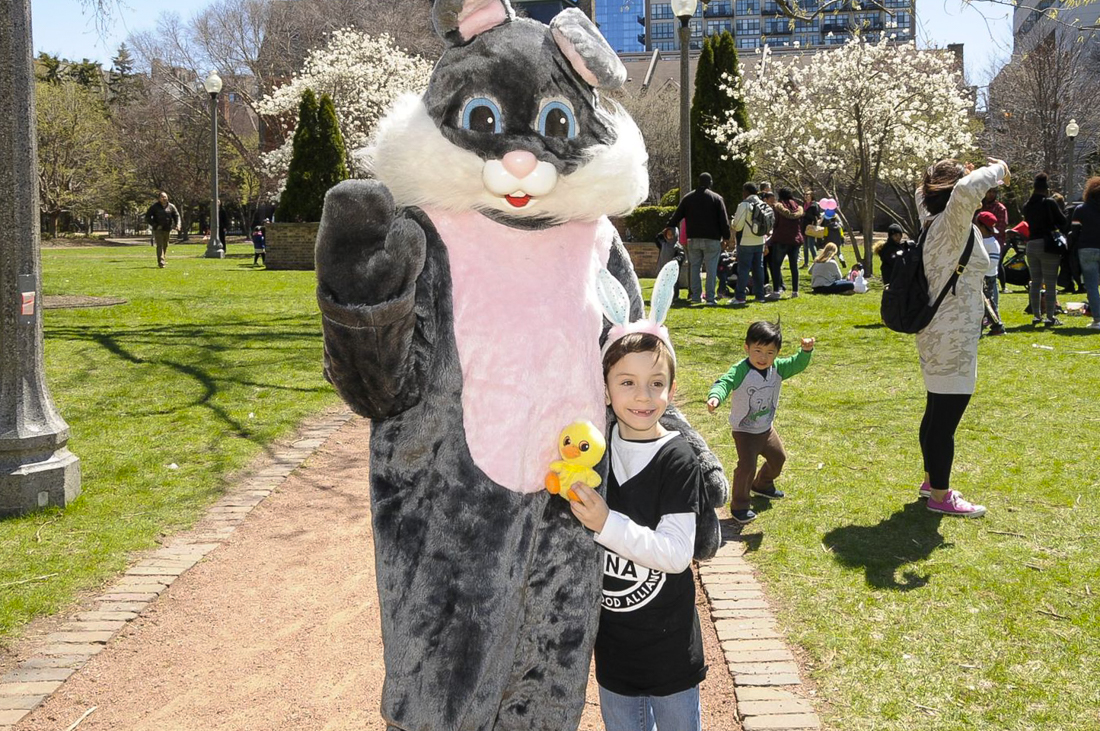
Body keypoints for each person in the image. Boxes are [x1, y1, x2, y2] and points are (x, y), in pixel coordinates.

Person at [568, 331, 706, 731]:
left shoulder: (677, 460)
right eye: (627, 382)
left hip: (669, 651)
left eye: (656, 383)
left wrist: (606, 524)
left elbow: (677, 554)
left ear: (672, 390)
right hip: (614, 651)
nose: (643, 396)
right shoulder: (595, 451)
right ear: (605, 390)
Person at [913, 157, 1009, 518]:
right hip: (952, 337)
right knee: (944, 420)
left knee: (936, 410)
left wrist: (949, 172)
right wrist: (998, 168)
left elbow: (923, 190)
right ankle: (941, 494)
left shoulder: (931, 218)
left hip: (937, 332)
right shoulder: (951, 222)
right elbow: (969, 190)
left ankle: (929, 481)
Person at [706, 320, 815, 525]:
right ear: (746, 347)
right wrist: (716, 396)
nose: (763, 358)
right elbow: (725, 382)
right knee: (747, 467)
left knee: (778, 458)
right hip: (745, 431)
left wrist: (806, 351)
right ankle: (740, 505)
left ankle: (763, 485)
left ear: (777, 352)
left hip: (766, 429)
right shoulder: (741, 370)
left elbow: (796, 364)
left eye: (770, 352)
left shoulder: (778, 368)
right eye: (757, 350)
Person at [665, 172, 731, 305]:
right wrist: (726, 237)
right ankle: (710, 298)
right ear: (710, 183)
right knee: (711, 269)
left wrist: (669, 226)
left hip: (693, 238)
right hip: (712, 239)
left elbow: (677, 216)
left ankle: (696, 296)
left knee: (695, 268)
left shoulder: (688, 198)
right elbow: (723, 220)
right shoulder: (717, 198)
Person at [1022, 172, 1068, 326]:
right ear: (1046, 189)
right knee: (1050, 283)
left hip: (1031, 244)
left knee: (1035, 282)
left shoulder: (1028, 205)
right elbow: (1062, 221)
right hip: (1047, 245)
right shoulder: (1049, 203)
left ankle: (1036, 315)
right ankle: (1050, 316)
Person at [732, 182, 769, 304]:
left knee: (743, 269)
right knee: (759, 269)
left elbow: (737, 226)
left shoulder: (744, 205)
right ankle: (760, 296)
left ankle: (740, 297)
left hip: (745, 241)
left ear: (746, 192)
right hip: (759, 241)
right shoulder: (763, 204)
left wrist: (733, 222)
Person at [1072, 175, 1100, 329]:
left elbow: (1074, 231)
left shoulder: (1081, 209)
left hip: (1087, 248)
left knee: (1091, 285)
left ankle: (1097, 319)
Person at [768, 188, 804, 298]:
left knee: (776, 265)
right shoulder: (797, 207)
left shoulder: (778, 206)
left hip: (781, 239)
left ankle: (776, 291)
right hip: (795, 239)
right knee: (794, 266)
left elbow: (775, 223)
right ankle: (795, 291)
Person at [975, 211, 1006, 336]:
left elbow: (992, 263)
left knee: (989, 303)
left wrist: (978, 269)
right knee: (983, 304)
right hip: (980, 276)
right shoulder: (980, 240)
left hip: (988, 277)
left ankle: (997, 326)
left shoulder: (992, 243)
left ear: (982, 226)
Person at [144, 191, 180, 268]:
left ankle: (163, 258)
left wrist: (178, 225)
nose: (164, 198)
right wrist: (155, 225)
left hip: (167, 228)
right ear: (159, 198)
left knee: (165, 245)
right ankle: (161, 262)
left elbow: (177, 216)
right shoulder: (154, 207)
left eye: (165, 197)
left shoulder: (171, 206)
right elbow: (147, 217)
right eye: (162, 197)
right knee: (159, 245)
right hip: (158, 229)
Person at [800, 190, 821, 267]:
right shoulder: (804, 204)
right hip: (803, 227)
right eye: (805, 194)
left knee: (811, 245)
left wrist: (806, 214)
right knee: (805, 246)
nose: (806, 196)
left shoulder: (814, 205)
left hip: (810, 227)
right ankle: (806, 263)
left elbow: (816, 217)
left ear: (811, 196)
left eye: (807, 194)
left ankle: (816, 262)